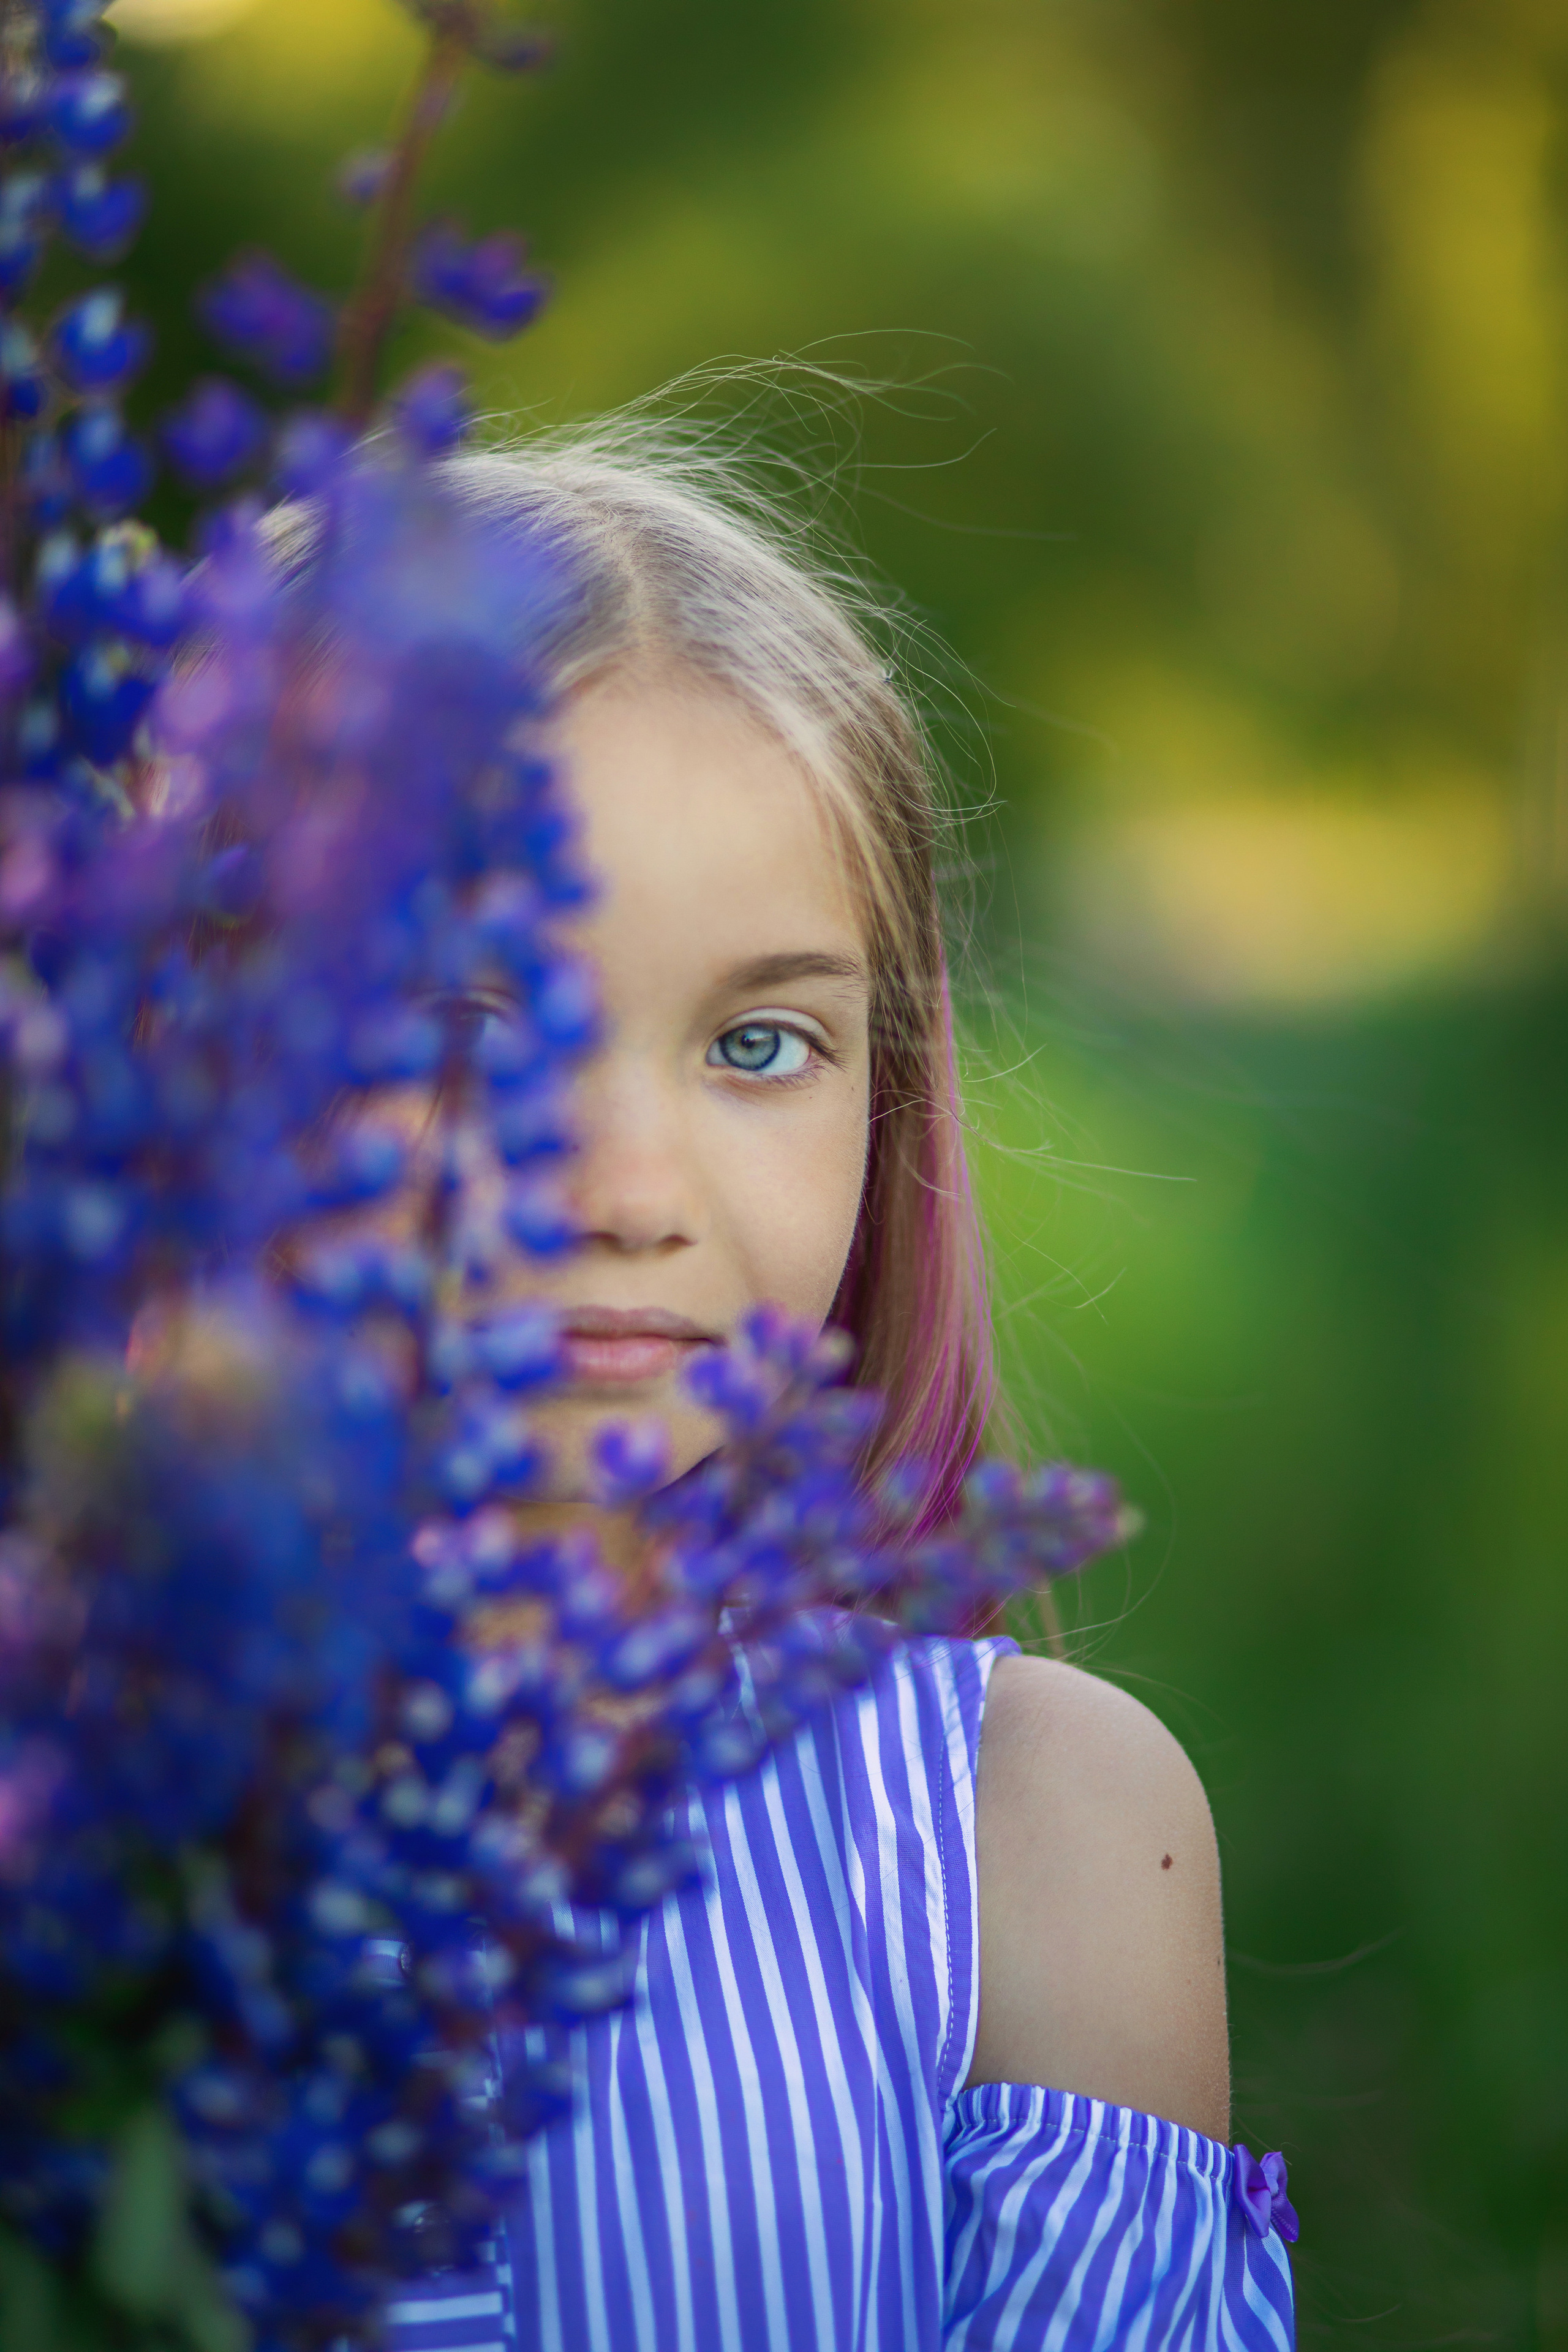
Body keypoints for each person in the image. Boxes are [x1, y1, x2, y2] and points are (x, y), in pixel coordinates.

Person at [331, 423, 1297, 2350]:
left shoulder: (1027, 1836)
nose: (629, 1193)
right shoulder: (78, 1819)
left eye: (761, 1043)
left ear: (889, 1104)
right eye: (462, 1028)